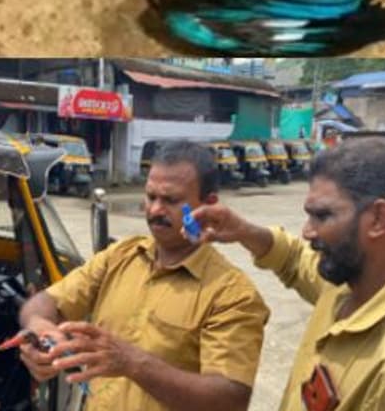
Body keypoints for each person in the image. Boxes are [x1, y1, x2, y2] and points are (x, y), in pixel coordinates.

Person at [191, 138, 385, 411]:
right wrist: (243, 231)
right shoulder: (349, 286)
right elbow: (295, 259)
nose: (307, 232)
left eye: (322, 216)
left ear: (378, 219)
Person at [16, 140, 269, 411]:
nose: (155, 210)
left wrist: (133, 363)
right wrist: (40, 331)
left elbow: (230, 399)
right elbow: (45, 302)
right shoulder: (120, 256)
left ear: (209, 205)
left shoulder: (232, 295)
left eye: (170, 200)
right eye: (151, 197)